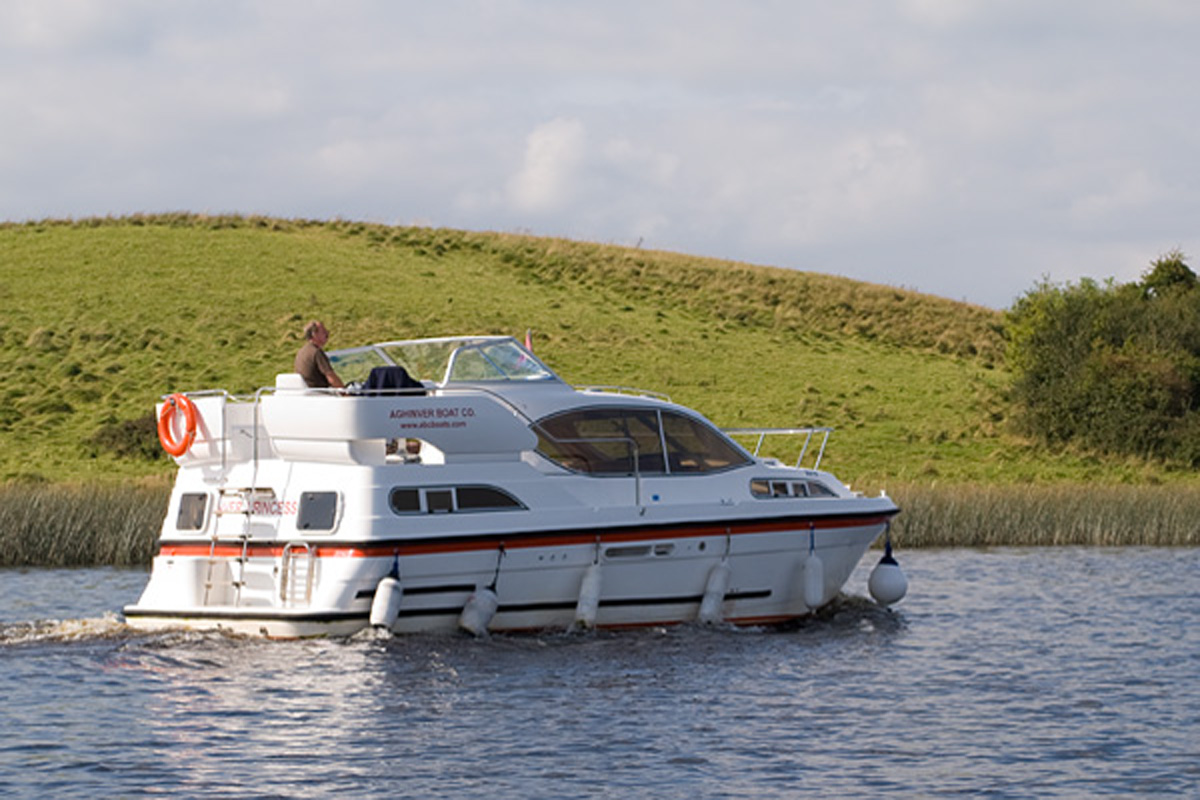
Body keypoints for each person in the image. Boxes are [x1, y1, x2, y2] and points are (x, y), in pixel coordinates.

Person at [294, 320, 345, 389]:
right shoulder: (316, 352)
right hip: (319, 394)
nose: (327, 333)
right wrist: (346, 393)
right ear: (314, 334)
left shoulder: (301, 351)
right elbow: (331, 377)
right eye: (323, 331)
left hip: (309, 393)